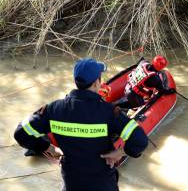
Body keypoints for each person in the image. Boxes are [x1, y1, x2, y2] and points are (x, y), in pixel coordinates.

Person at [14, 58, 148, 191]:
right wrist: (120, 152)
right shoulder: (110, 113)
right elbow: (139, 141)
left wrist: (47, 147)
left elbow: (21, 133)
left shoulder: (54, 109)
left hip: (73, 184)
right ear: (96, 83)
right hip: (104, 185)